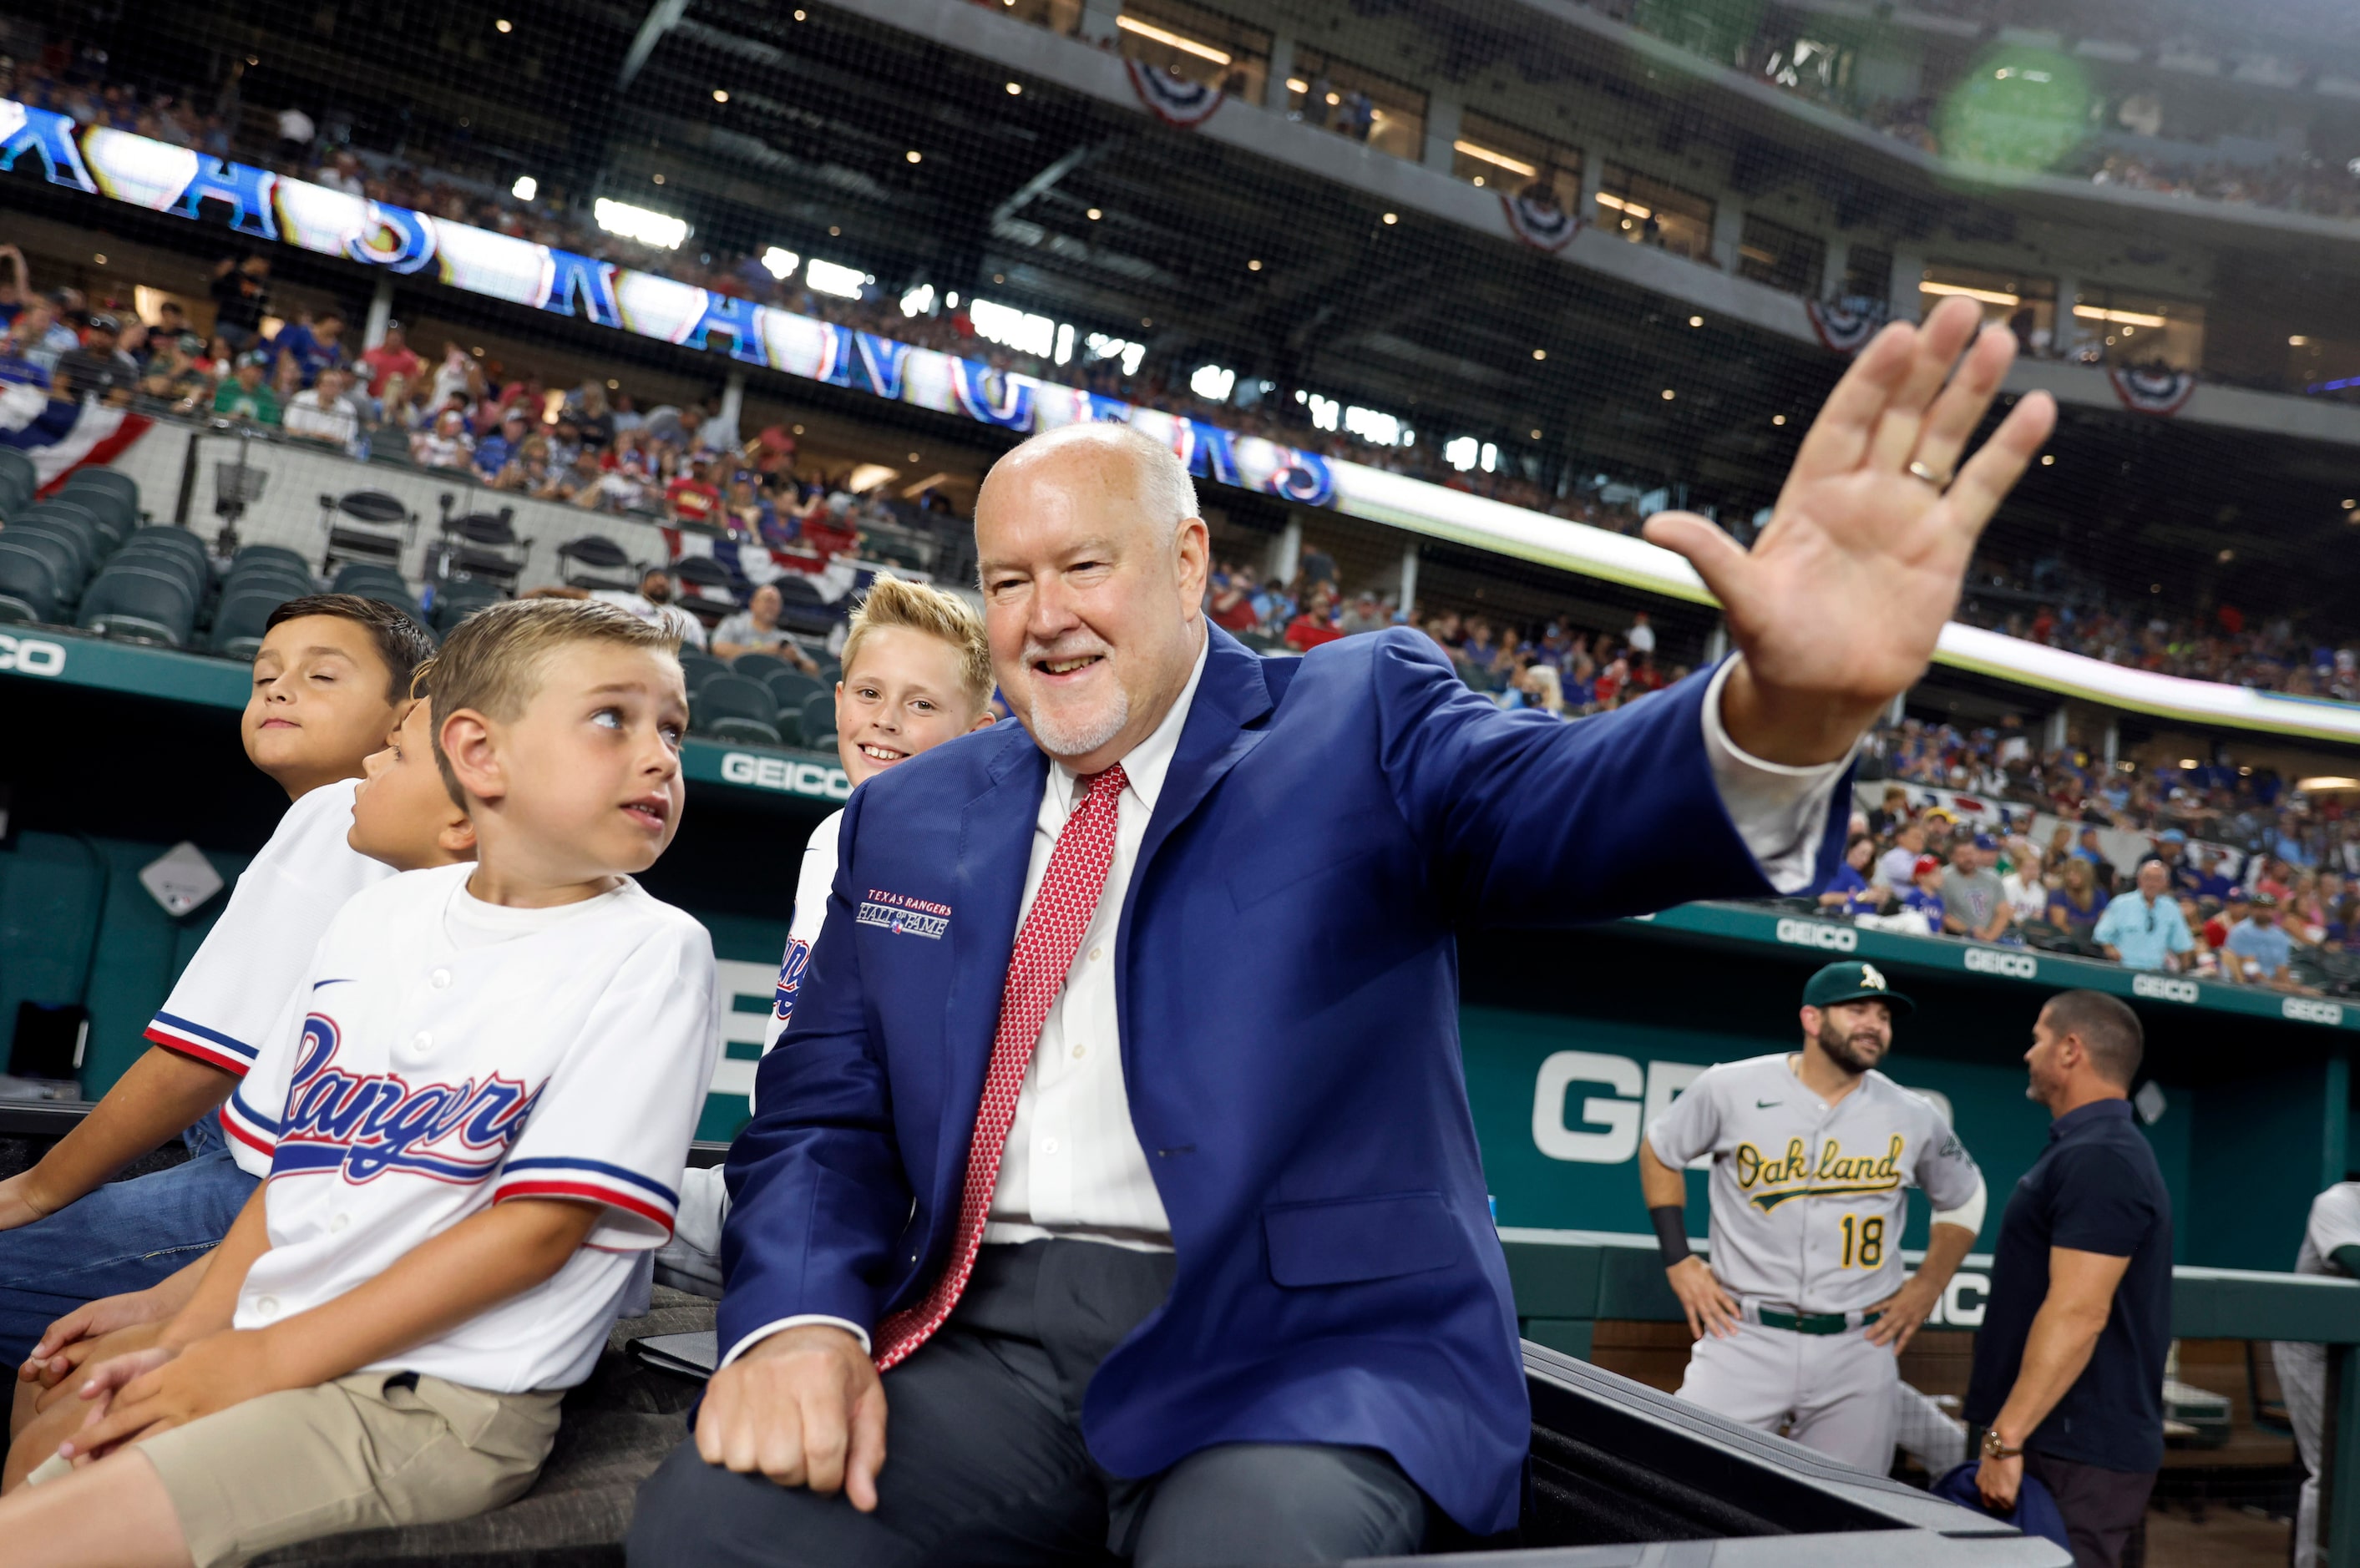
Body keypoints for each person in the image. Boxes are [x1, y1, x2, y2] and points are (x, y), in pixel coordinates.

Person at [631, 296, 2055, 1565]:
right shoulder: (909, 814)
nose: (1045, 618)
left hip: (1296, 1352)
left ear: (1189, 563)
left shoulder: (1356, 716)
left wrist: (1783, 712)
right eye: (1008, 581)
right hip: (979, 1333)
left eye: (1085, 568)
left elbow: (1576, 806)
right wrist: (798, 1316)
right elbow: (819, 1122)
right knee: (717, 1519)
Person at [0, 599, 718, 1566]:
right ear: (480, 751)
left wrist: (247, 1361)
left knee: (37, 1538)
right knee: (58, 1420)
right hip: (285, 1340)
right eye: (611, 719)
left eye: (671, 728)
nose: (660, 755)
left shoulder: (655, 947)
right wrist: (192, 1330)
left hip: (434, 1398)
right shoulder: (380, 918)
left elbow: (534, 1231)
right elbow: (297, 1180)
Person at [3, 666, 476, 1487]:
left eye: (324, 673)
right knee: (57, 1383)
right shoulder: (385, 914)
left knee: (62, 1383)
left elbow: (209, 1073)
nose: (280, 691)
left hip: (279, 1215)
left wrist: (37, 1192)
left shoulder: (344, 827)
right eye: (264, 673)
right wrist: (173, 1309)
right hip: (269, 1197)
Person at [657, 579, 996, 1297]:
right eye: (870, 694)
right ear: (838, 701)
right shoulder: (834, 833)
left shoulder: (978, 869)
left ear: (980, 731)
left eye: (924, 703)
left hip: (860, 1216)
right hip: (770, 1178)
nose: (889, 721)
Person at [1642, 962, 1985, 1473]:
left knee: (1845, 1522)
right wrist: (1679, 1260)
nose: (1874, 1024)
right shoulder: (1730, 1087)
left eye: (1884, 1015)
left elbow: (1965, 1195)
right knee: (1685, 1482)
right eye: (1857, 1009)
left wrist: (1929, 1285)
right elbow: (1660, 1150)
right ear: (1812, 1018)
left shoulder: (1913, 1114)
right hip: (1745, 1334)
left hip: (1859, 1345)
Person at [1968, 991, 2171, 1568]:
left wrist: (2006, 1438)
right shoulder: (2087, 1148)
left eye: (2038, 1038)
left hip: (2073, 1450)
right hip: (2062, 1441)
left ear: (2071, 1050)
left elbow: (2079, 1312)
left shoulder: (2103, 1156)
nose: (2029, 1053)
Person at [2271, 1176, 2360, 1568]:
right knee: (2330, 1470)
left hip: (2351, 1352)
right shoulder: (2338, 1201)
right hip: (2310, 1351)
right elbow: (2351, 1257)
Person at [529, 569, 706, 651]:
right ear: (641, 585)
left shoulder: (686, 617)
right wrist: (543, 589)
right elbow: (581, 595)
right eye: (654, 578)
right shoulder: (622, 599)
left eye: (664, 580)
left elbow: (700, 650)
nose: (660, 582)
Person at [2089, 859, 2192, 972]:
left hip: (2156, 973)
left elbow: (2183, 945)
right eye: (2148, 878)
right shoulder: (2121, 903)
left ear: (2165, 883)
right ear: (2139, 880)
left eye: (2157, 879)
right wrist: (2110, 949)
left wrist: (2183, 972)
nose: (2152, 884)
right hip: (2123, 969)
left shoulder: (2171, 908)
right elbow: (2101, 934)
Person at [711, 584, 819, 672]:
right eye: (767, 600)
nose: (771, 606)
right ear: (753, 603)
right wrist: (762, 651)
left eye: (775, 602)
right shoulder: (733, 623)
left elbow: (814, 670)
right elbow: (718, 648)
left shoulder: (784, 639)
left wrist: (797, 660)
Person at [1941, 834, 2011, 943]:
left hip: (1992, 938)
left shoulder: (1993, 877)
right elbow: (1942, 914)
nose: (1969, 858)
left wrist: (1990, 937)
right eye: (1962, 855)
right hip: (1957, 937)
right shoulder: (1944, 877)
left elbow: (2003, 913)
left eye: (1971, 853)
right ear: (1952, 857)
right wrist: (1969, 931)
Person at [2223, 892, 2296, 987]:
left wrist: (2292, 988)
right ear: (2251, 909)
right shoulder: (2241, 931)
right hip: (2243, 985)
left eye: (2268, 909)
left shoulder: (2281, 936)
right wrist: (2278, 986)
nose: (2264, 912)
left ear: (2274, 911)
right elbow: (2249, 970)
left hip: (2273, 985)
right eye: (2260, 908)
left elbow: (2281, 968)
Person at [2047, 855, 2107, 940]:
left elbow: (2104, 922)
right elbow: (2059, 925)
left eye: (2076, 873)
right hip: (2066, 940)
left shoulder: (2099, 894)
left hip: (2092, 940)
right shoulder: (2059, 894)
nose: (2071, 877)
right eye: (2069, 873)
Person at [210, 351, 280, 424]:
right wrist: (228, 417)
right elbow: (213, 414)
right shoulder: (226, 389)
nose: (259, 373)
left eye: (262, 369)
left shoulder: (267, 397)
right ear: (243, 369)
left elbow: (271, 425)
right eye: (255, 368)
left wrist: (255, 423)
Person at [1877, 820, 1926, 891]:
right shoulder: (1892, 857)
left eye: (1922, 838)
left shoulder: (1921, 856)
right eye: (1916, 837)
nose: (1920, 841)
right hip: (1901, 900)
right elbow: (1916, 878)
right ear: (1900, 838)